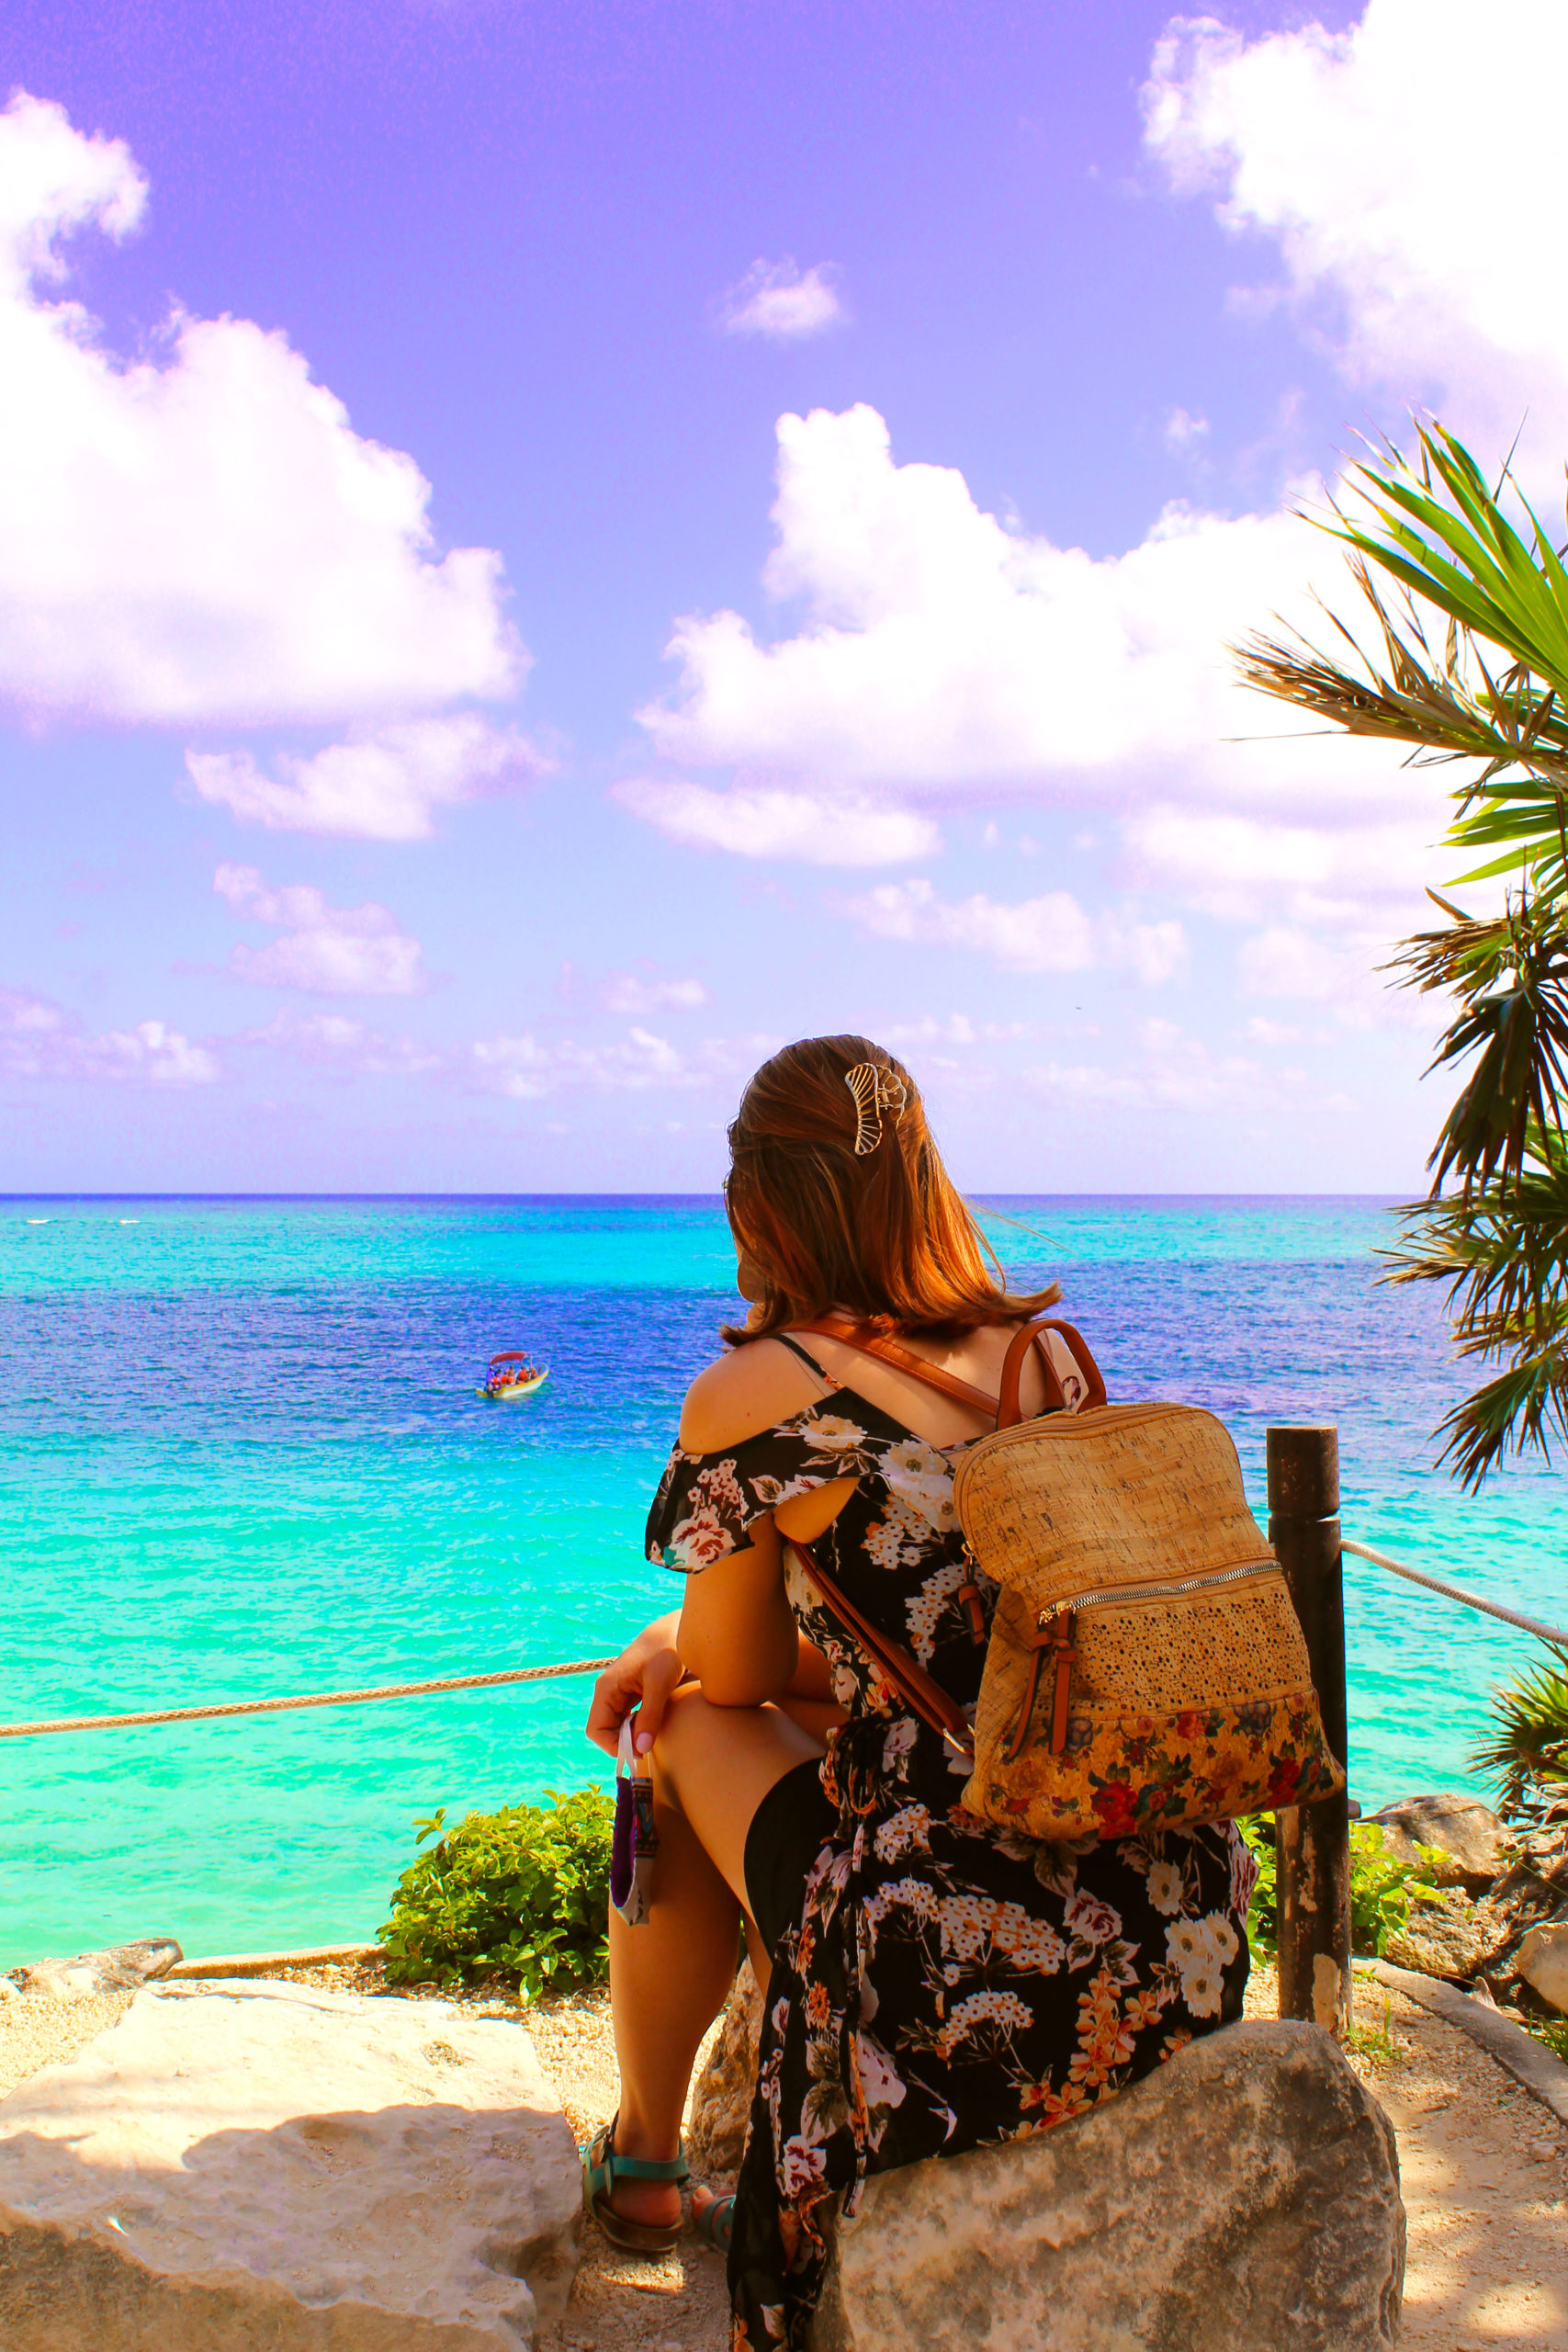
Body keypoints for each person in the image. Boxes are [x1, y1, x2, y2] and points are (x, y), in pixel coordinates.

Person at [583, 1035, 1257, 2351]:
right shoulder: (1044, 1360)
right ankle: (672, 2134)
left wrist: (668, 1638)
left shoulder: (755, 1399)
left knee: (677, 1730)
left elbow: (739, 1677)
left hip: (949, 1949)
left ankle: (648, 2162)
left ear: (757, 1205)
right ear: (922, 1181)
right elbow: (979, 1655)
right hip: (1164, 1919)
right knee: (764, 1729)